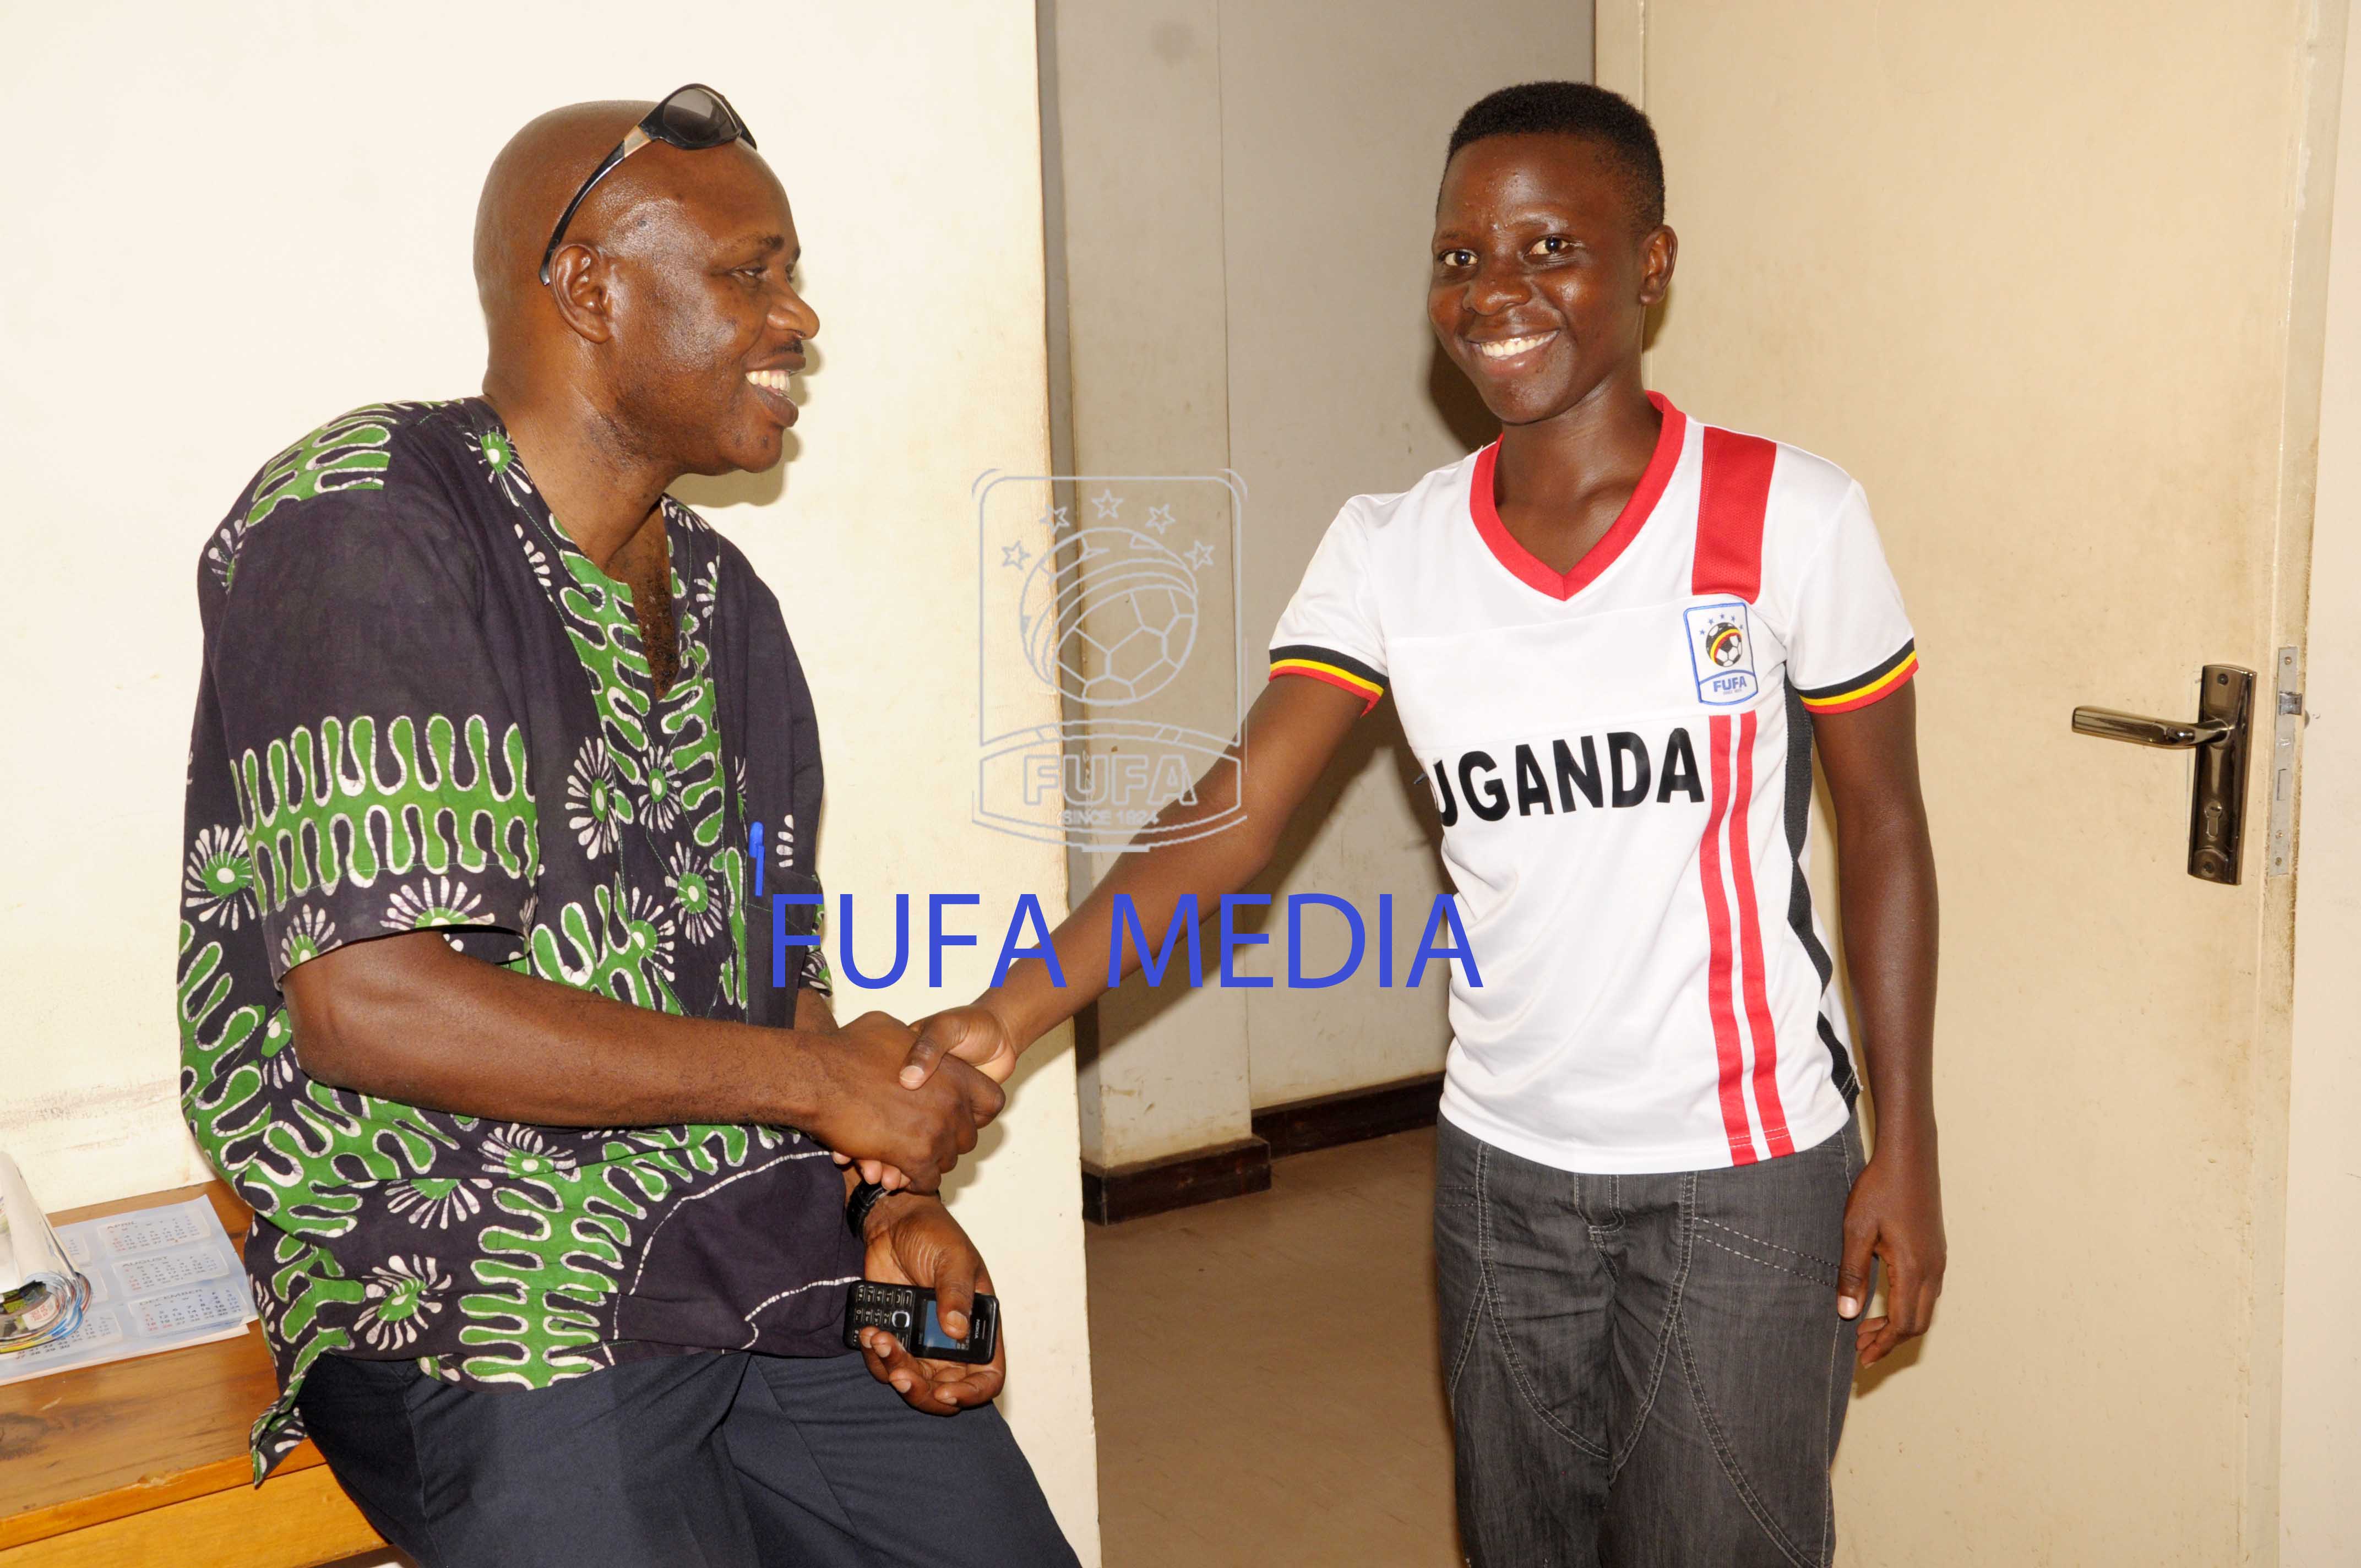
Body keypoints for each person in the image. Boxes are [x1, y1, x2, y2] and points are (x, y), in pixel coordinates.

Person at [895, 81, 1944, 1566]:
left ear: (1650, 263)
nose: (1495, 291)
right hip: (1502, 1172)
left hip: (1750, 1176)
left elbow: (1887, 832)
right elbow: (1234, 817)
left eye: (1547, 246)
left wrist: (1909, 1146)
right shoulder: (1395, 551)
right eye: (1460, 256)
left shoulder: (1791, 518)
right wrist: (1013, 1012)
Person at [177, 86, 1076, 1566]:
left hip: (755, 1245)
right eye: (751, 270)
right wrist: (817, 1088)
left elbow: (781, 962)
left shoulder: (733, 610)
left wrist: (889, 1194)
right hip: (481, 1289)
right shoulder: (366, 521)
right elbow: (370, 1003)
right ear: (590, 289)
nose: (798, 318)